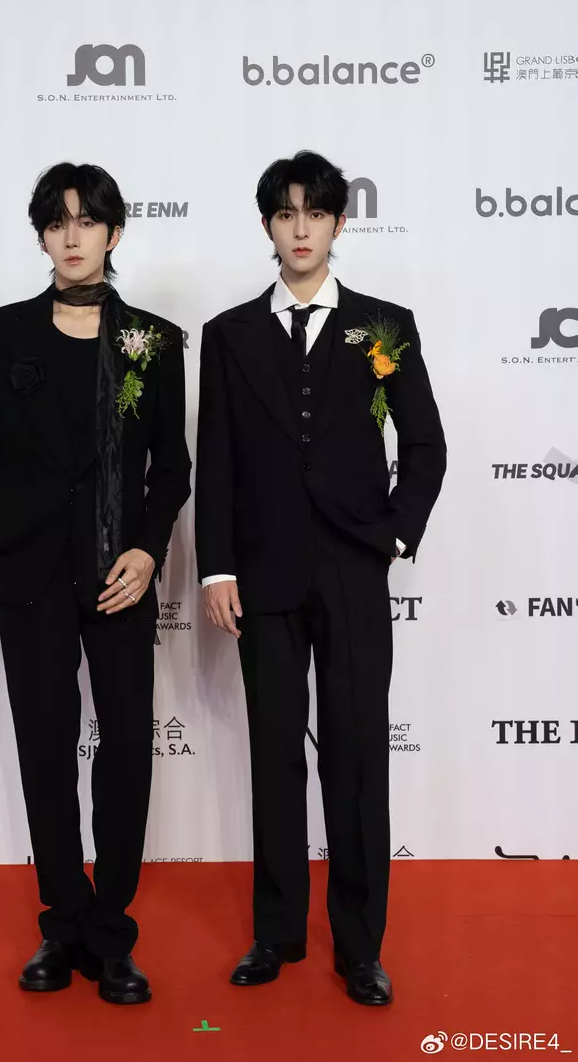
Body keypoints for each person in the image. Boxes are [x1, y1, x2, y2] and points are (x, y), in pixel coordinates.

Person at [195, 150, 446, 1005]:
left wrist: (396, 535)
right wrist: (216, 567)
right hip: (261, 573)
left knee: (356, 754)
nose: (299, 229)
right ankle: (274, 934)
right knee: (274, 755)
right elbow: (217, 458)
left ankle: (360, 946)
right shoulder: (228, 334)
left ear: (339, 222)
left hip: (351, 567)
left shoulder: (383, 325)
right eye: (284, 213)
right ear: (267, 225)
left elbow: (424, 443)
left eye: (314, 213)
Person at [0, 162, 191, 1004]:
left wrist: (148, 551)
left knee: (125, 749)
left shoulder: (153, 340)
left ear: (114, 234)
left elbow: (171, 468)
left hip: (119, 574)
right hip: (31, 577)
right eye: (57, 222)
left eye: (87, 221)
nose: (72, 236)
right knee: (45, 750)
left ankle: (111, 931)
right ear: (42, 235)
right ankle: (62, 924)